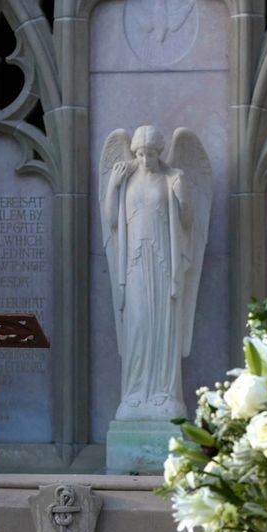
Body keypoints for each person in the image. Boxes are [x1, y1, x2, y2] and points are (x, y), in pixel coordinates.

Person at [100, 125, 211, 421]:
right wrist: (112, 184)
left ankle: (166, 393)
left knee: (164, 327)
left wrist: (183, 196)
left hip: (164, 265)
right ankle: (134, 393)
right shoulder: (125, 180)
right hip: (135, 265)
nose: (145, 158)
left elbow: (188, 222)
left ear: (159, 152)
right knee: (137, 326)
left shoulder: (172, 178)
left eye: (150, 153)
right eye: (140, 153)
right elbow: (111, 219)